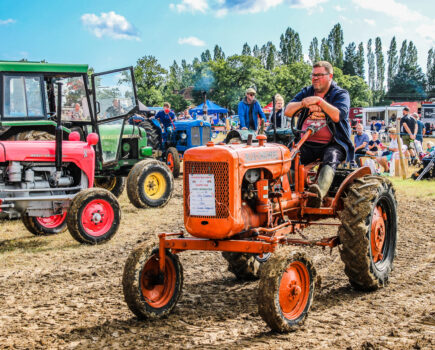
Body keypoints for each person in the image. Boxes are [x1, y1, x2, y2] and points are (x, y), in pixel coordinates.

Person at [285, 60, 353, 207]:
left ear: (330, 76)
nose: (315, 78)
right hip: (307, 142)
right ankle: (287, 194)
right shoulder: (307, 92)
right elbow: (288, 110)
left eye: (319, 75)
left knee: (331, 155)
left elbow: (337, 115)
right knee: (291, 156)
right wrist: (304, 103)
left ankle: (318, 194)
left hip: (334, 143)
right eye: (313, 75)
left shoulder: (340, 94)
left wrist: (319, 103)